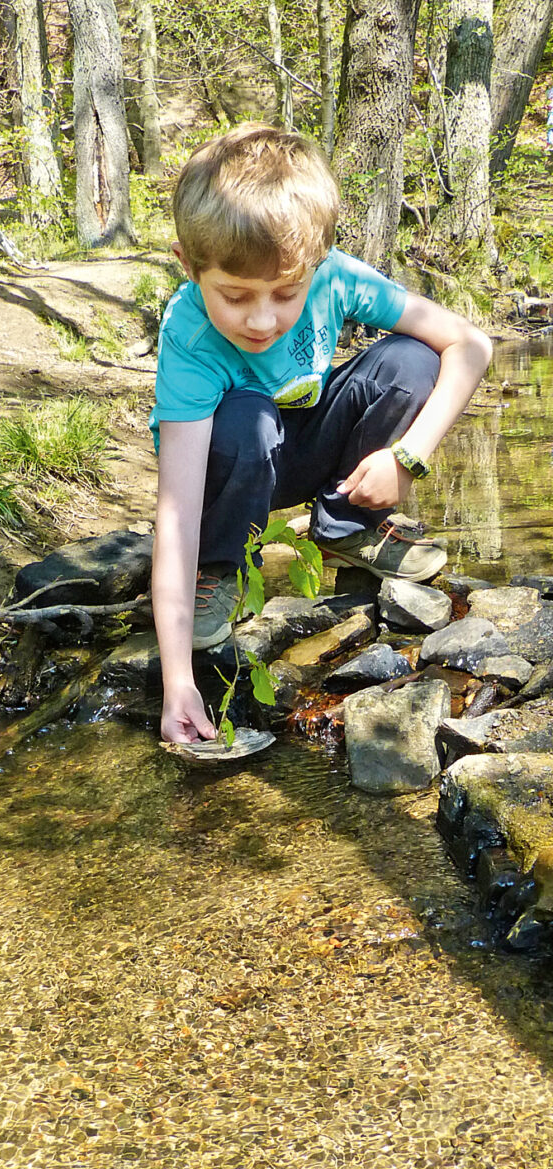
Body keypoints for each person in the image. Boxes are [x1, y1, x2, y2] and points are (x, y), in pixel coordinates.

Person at [150, 124, 492, 744]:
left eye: (286, 293)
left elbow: (470, 344)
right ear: (189, 265)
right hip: (232, 466)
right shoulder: (189, 337)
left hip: (303, 447)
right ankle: (221, 568)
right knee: (246, 415)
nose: (262, 319)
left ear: (315, 265)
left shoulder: (335, 278)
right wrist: (178, 683)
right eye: (235, 295)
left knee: (413, 359)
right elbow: (174, 513)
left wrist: (407, 458)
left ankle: (347, 525)